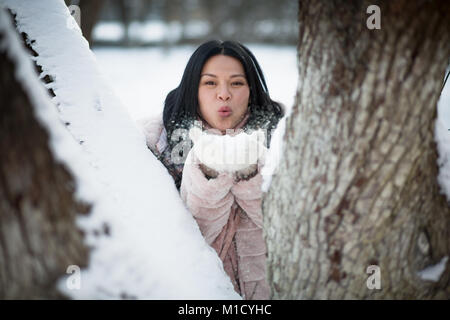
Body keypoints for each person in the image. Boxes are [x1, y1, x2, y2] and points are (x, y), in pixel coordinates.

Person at [139, 40, 284, 299]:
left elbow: (287, 231)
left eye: (237, 83)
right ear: (192, 88)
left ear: (251, 89)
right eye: (210, 83)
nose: (224, 94)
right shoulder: (157, 145)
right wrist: (208, 172)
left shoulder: (284, 140)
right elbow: (176, 238)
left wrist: (250, 171)